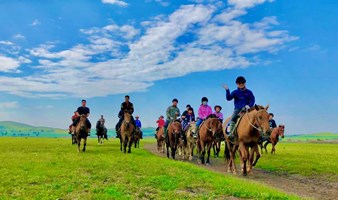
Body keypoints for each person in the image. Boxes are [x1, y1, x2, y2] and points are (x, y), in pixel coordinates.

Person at [223, 76, 255, 140]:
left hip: (248, 108)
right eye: (239, 83)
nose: (241, 84)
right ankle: (231, 133)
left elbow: (252, 100)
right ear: (237, 84)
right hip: (238, 109)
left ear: (244, 83)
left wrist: (249, 105)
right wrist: (227, 90)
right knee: (233, 118)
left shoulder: (249, 92)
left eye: (242, 83)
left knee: (256, 117)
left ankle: (260, 134)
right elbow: (229, 98)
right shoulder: (235, 92)